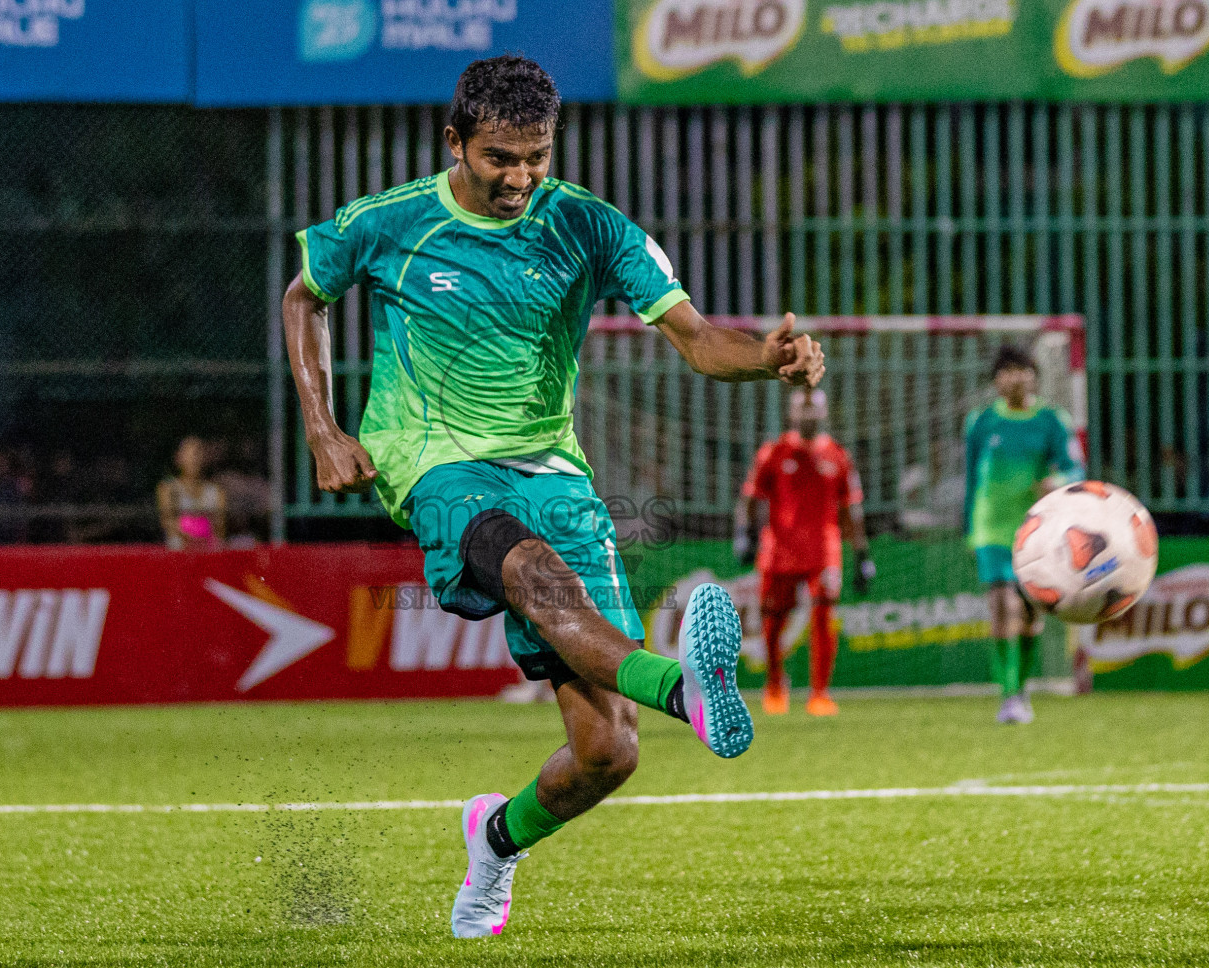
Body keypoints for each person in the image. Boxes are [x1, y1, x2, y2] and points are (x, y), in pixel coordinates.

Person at [283, 55, 824, 939]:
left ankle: (494, 843)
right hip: (433, 464)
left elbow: (693, 337)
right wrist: (322, 426)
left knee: (607, 752)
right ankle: (685, 689)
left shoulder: (588, 225)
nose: (520, 179)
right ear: (454, 141)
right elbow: (305, 295)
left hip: (554, 470)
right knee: (532, 571)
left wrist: (767, 358)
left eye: (536, 157)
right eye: (500, 158)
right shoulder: (392, 223)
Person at [964, 345, 1084, 725]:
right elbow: (971, 478)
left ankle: (1021, 685)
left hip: (1035, 531)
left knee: (1031, 616)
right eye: (1007, 371)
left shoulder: (1052, 420)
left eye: (1022, 370)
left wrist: (1058, 481)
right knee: (1002, 606)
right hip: (992, 528)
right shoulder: (981, 422)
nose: (1015, 377)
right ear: (996, 380)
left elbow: (1075, 469)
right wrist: (970, 528)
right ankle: (1009, 695)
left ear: (1034, 376)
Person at [735, 388, 872, 717]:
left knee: (824, 618)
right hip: (779, 549)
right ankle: (774, 685)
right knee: (771, 622)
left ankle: (820, 693)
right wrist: (743, 533)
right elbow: (750, 498)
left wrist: (863, 554)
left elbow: (852, 509)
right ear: (792, 413)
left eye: (814, 410)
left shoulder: (838, 456)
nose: (809, 415)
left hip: (824, 551)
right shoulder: (774, 452)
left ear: (823, 413)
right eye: (802, 409)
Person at [156, 436, 226, 551]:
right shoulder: (168, 488)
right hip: (179, 553)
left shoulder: (217, 491)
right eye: (188, 453)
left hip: (209, 551)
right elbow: (167, 522)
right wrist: (190, 538)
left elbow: (221, 527)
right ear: (178, 457)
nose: (194, 458)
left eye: (197, 452)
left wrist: (203, 537)